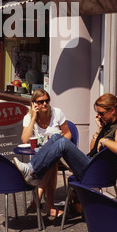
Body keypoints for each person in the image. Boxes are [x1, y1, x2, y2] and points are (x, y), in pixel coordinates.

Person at [14, 93, 117, 186]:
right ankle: (31, 169)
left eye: (101, 113)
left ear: (112, 110)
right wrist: (99, 130)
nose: (99, 116)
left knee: (63, 142)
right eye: (98, 113)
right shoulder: (107, 125)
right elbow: (92, 148)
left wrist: (104, 141)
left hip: (97, 172)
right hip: (91, 165)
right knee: (56, 137)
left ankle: (32, 171)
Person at [21, 88, 71, 218]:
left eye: (47, 101)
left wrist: (59, 145)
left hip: (58, 154)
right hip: (38, 157)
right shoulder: (28, 117)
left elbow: (68, 133)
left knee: (52, 159)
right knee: (50, 162)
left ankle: (37, 198)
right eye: (41, 101)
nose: (44, 104)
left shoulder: (57, 113)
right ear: (34, 103)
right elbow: (25, 139)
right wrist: (33, 118)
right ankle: (50, 206)